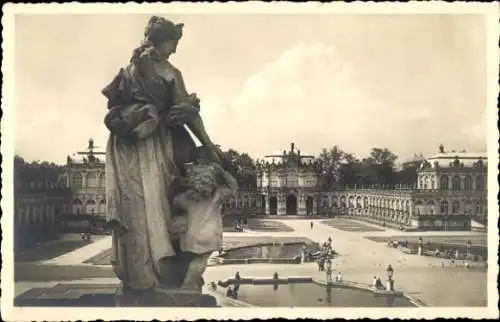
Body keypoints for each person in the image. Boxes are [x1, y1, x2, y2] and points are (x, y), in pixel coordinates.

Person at [102, 16, 230, 297]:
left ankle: (140, 275)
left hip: (126, 145)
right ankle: (156, 274)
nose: (174, 50)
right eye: (174, 43)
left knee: (137, 206)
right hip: (151, 145)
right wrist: (208, 145)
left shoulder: (129, 68)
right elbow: (188, 114)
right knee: (150, 205)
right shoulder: (168, 71)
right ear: (164, 40)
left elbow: (116, 104)